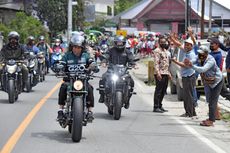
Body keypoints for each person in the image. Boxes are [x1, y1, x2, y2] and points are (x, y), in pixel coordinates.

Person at [57, 35, 98, 121]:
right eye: (75, 47)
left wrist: (92, 66)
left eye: (79, 47)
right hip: (69, 80)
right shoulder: (67, 56)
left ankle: (90, 111)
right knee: (63, 87)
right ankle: (60, 110)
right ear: (72, 47)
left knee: (90, 89)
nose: (76, 49)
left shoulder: (86, 56)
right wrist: (59, 67)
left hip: (82, 80)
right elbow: (62, 63)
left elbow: (92, 62)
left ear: (82, 48)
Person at [184, 46, 223, 126]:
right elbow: (194, 60)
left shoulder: (210, 60)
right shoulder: (200, 57)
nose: (200, 54)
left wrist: (192, 66)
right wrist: (189, 62)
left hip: (217, 81)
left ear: (206, 53)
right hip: (209, 82)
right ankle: (215, 116)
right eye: (199, 53)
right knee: (213, 98)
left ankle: (211, 120)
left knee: (212, 101)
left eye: (202, 53)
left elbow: (203, 69)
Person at [98, 35, 136, 109]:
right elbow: (106, 56)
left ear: (124, 43)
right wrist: (104, 62)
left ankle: (128, 99)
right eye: (118, 42)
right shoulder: (111, 50)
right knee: (103, 78)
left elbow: (131, 59)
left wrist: (134, 64)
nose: (119, 44)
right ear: (115, 43)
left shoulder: (127, 51)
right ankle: (102, 96)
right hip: (112, 70)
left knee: (131, 81)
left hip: (123, 71)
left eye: (121, 43)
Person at [171, 34, 197, 118]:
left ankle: (189, 113)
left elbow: (185, 65)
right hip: (187, 76)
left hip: (189, 77)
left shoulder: (191, 54)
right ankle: (192, 112)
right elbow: (179, 45)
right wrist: (173, 39)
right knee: (189, 95)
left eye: (188, 45)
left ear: (191, 46)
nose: (185, 46)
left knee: (188, 96)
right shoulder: (187, 51)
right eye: (185, 44)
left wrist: (175, 62)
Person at [153, 35, 171, 113]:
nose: (163, 43)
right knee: (159, 90)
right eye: (162, 42)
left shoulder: (165, 51)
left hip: (165, 73)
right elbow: (156, 63)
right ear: (159, 42)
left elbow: (166, 63)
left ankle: (160, 105)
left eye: (164, 42)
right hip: (160, 73)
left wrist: (169, 73)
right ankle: (156, 106)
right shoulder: (157, 51)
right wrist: (158, 73)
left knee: (164, 90)